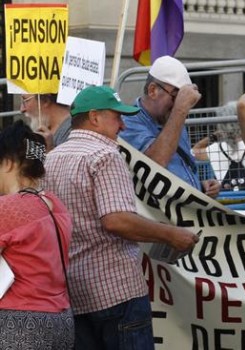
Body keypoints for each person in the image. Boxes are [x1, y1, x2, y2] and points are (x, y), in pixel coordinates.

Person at [43, 85, 200, 349]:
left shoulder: (51, 159)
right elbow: (116, 219)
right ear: (94, 117)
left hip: (74, 291)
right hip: (115, 291)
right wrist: (171, 234)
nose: (123, 126)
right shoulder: (105, 155)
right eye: (117, 117)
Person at [0, 120, 74, 349]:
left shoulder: (8, 207)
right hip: (61, 319)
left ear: (10, 163)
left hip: (20, 323)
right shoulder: (55, 204)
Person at [119, 55, 220, 198]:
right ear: (152, 90)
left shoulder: (172, 119)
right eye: (176, 97)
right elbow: (154, 165)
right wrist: (179, 110)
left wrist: (200, 186)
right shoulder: (127, 122)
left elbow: (179, 168)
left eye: (183, 99)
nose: (180, 104)